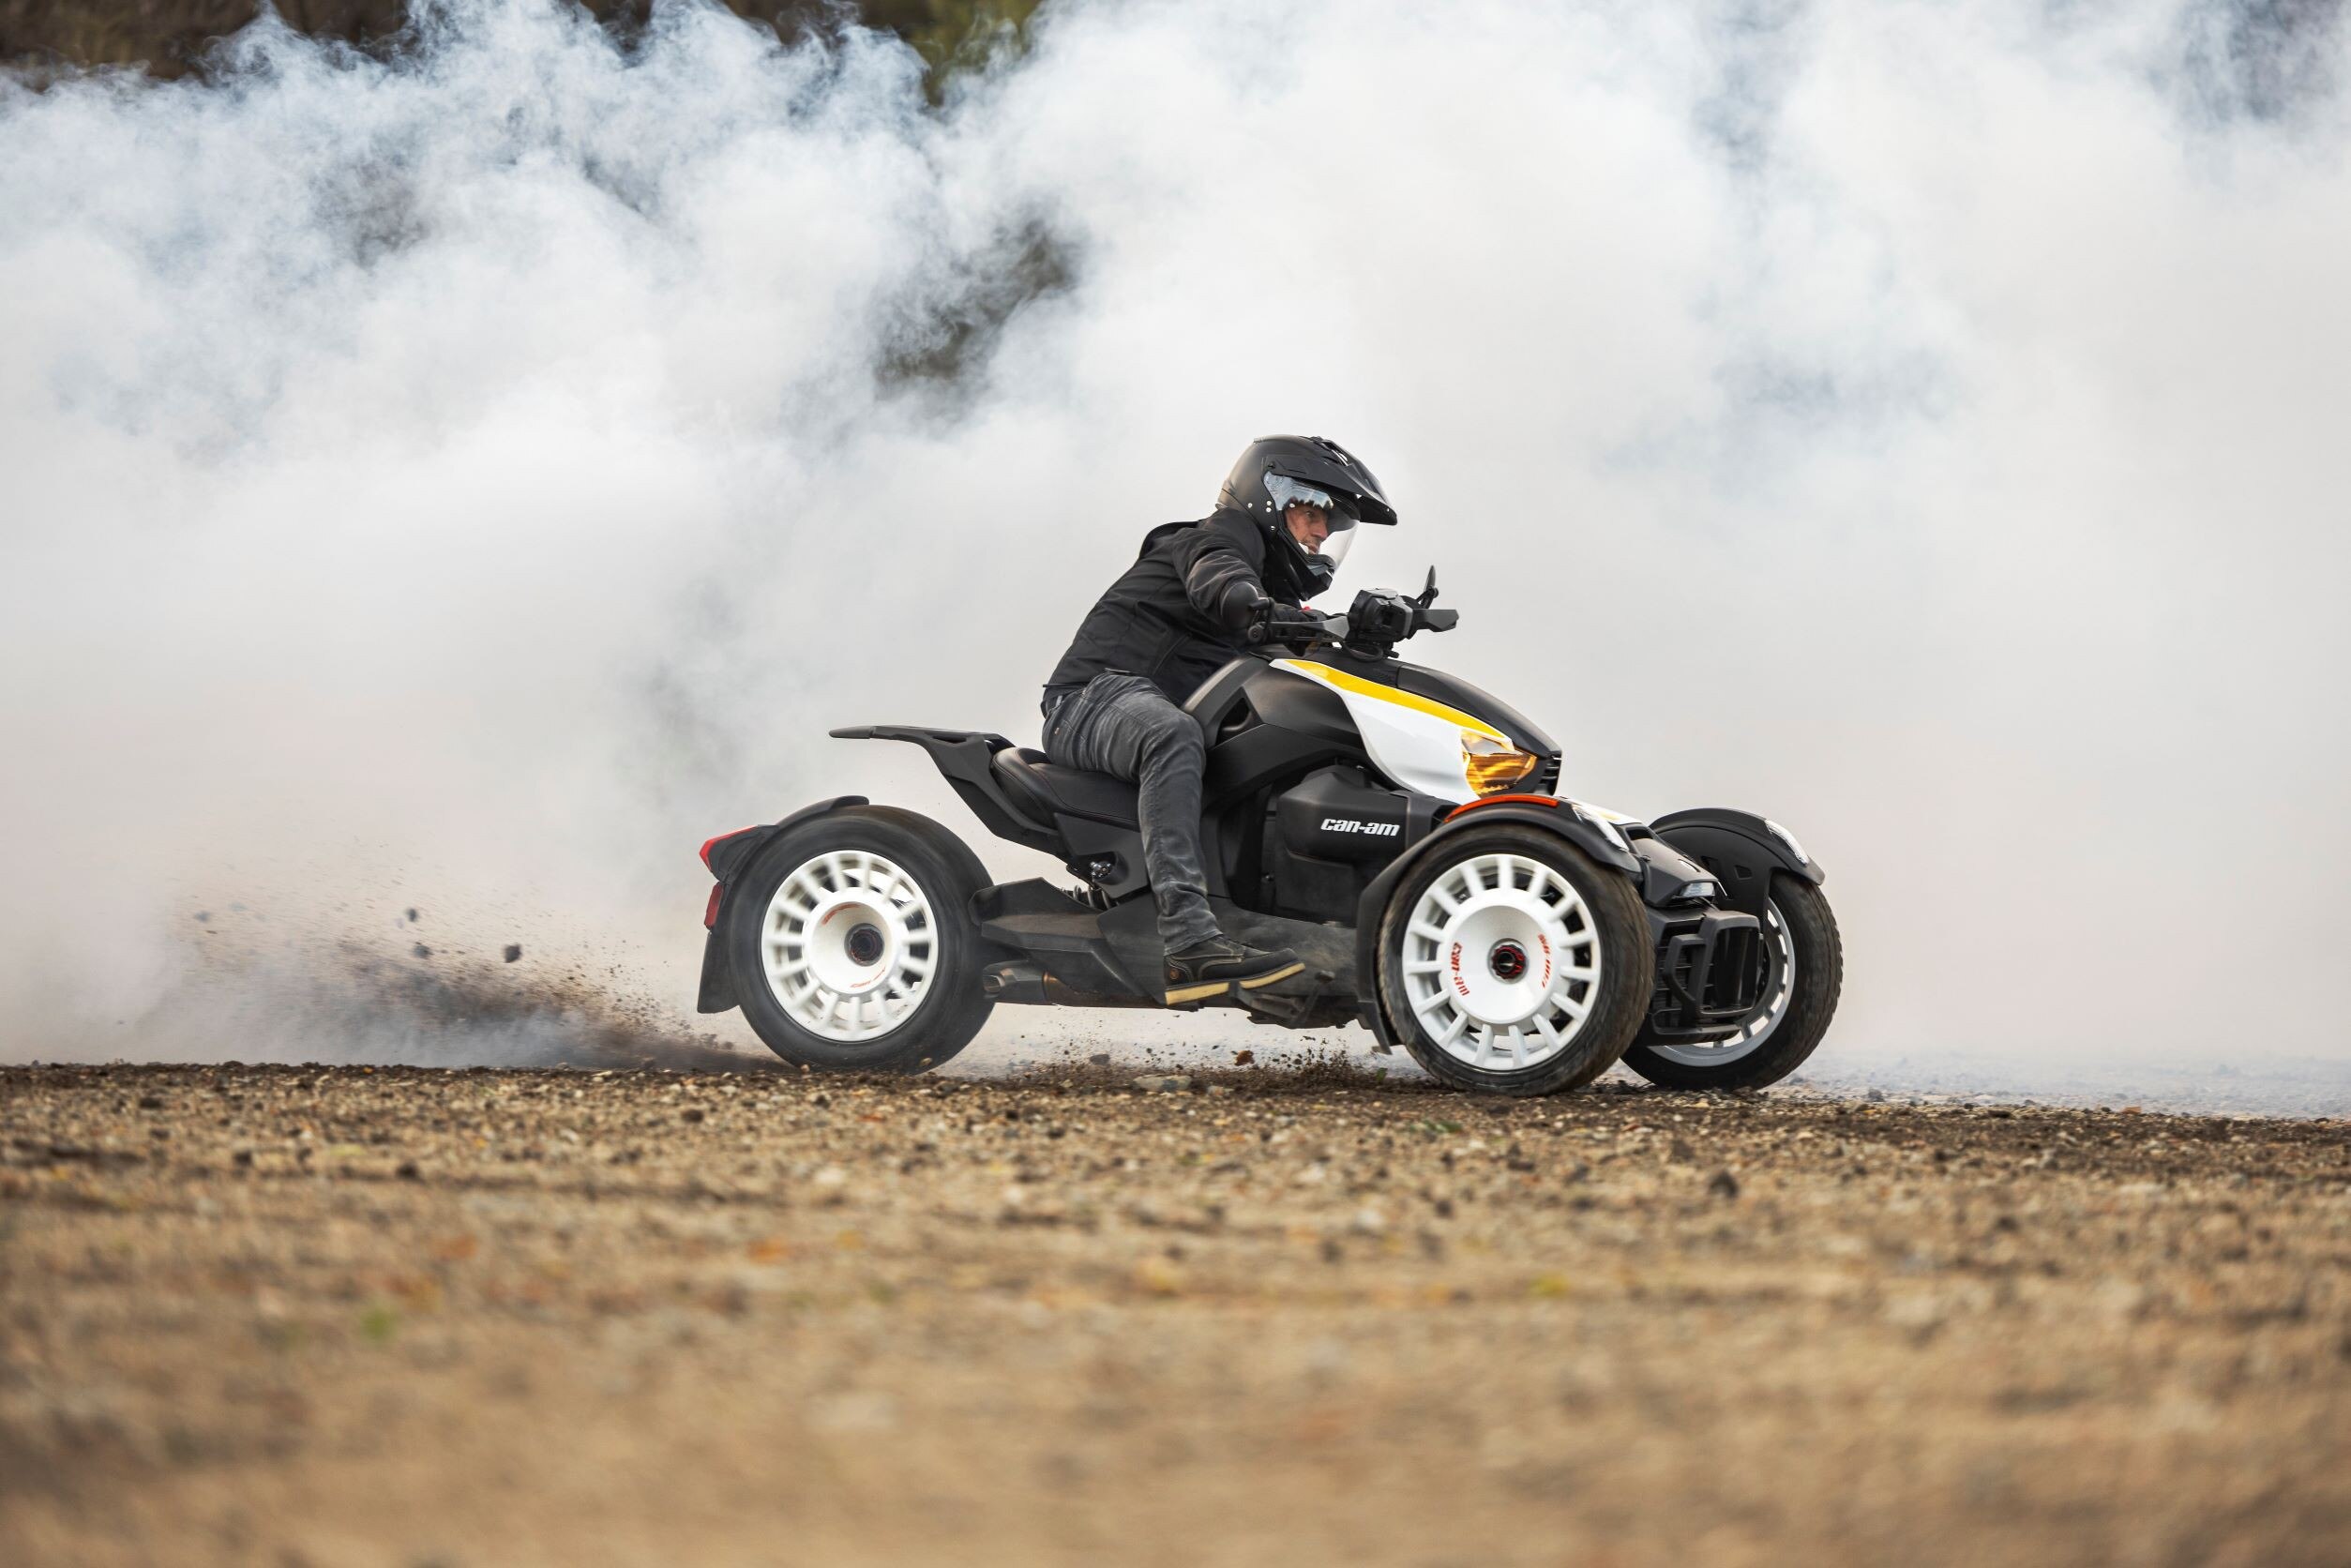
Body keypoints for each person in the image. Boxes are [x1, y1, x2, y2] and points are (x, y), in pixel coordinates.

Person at [1040, 435, 1397, 1004]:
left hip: (1134, 705)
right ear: (1269, 502)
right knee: (1171, 734)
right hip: (1088, 700)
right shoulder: (1215, 543)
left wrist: (1367, 633)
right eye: (1312, 515)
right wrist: (1253, 603)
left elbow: (1297, 642)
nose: (1321, 534)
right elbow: (1221, 581)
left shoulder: (1268, 591)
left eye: (1332, 526)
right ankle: (1188, 941)